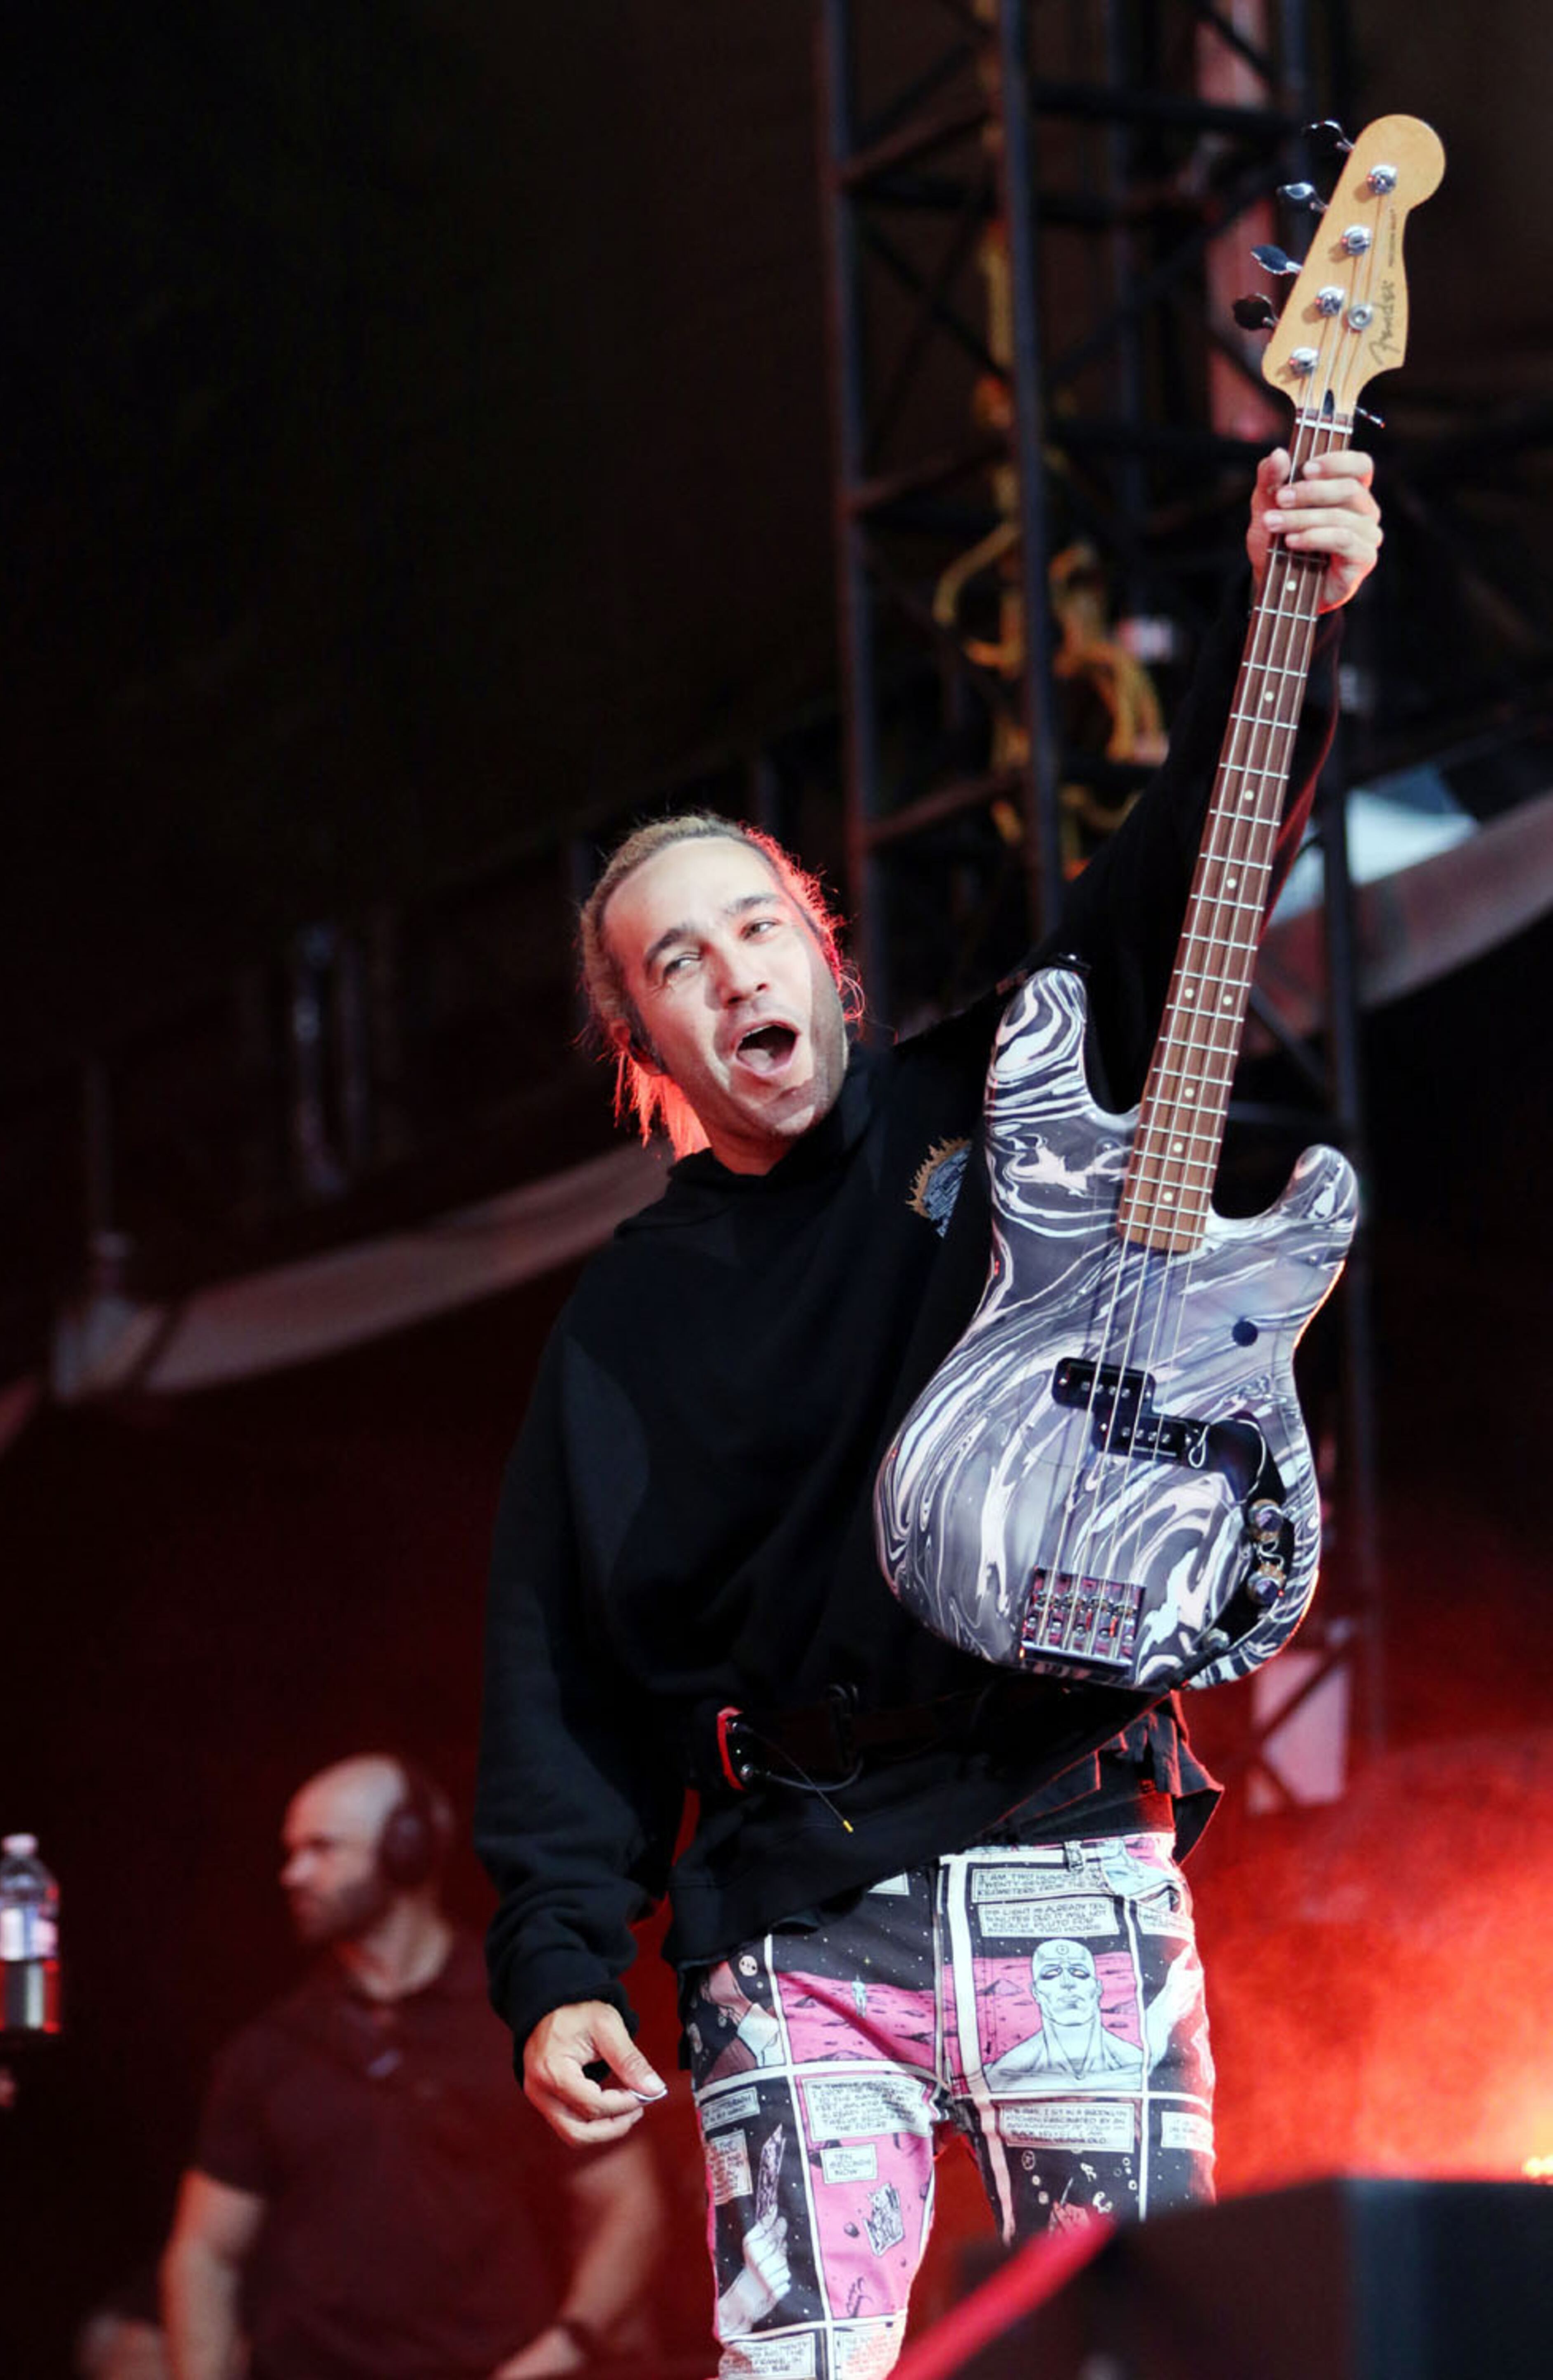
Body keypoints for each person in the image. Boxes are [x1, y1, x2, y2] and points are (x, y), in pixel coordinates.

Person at [476, 451, 1382, 2373]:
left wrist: (1283, 616)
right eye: (674, 961)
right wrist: (561, 1959)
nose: (731, 969)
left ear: (826, 946)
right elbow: (560, 1670)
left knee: (1153, 2352)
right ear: (647, 1050)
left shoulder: (1006, 1097)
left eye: (753, 923)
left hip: (1069, 1846)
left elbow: (1187, 877)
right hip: (798, 1927)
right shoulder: (628, 1322)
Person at [161, 1754, 666, 2380]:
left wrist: (561, 2352)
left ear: (407, 1849)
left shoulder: (520, 2020)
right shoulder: (270, 2048)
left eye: (323, 1849)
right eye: (292, 1851)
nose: (294, 1874)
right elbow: (206, 2253)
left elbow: (626, 2204)